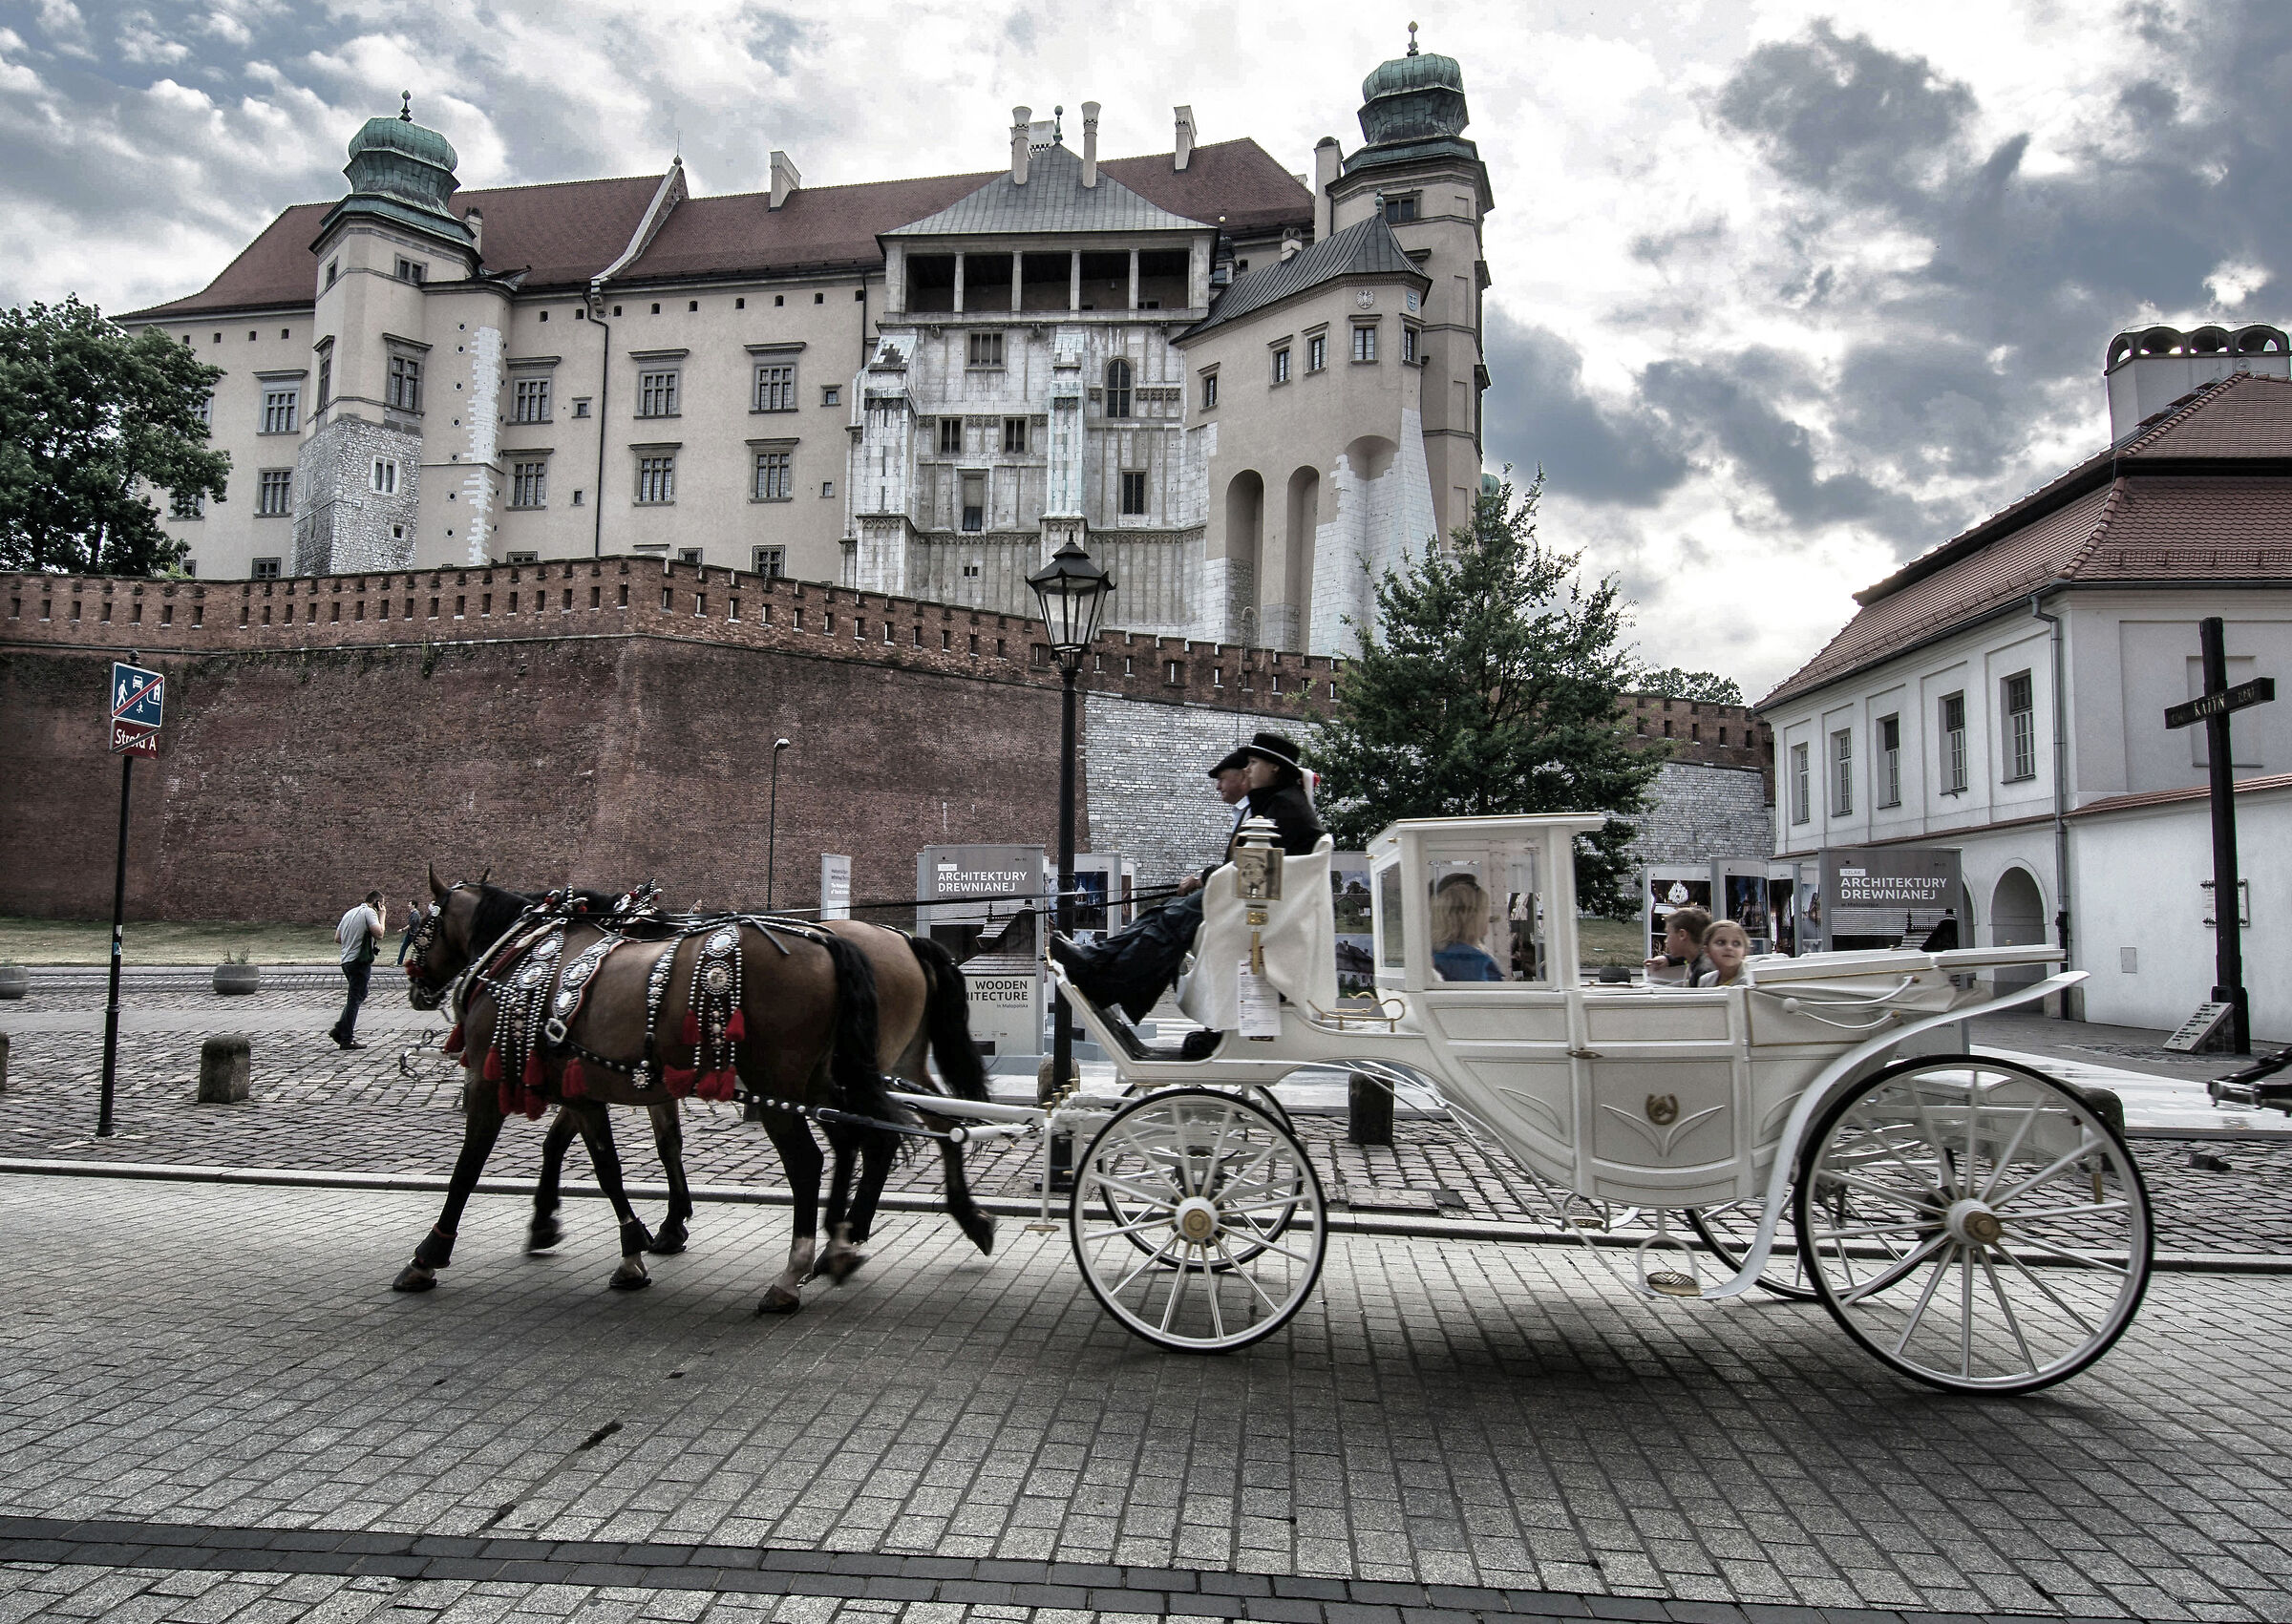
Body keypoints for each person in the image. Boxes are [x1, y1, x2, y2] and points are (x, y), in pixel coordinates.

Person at [1051, 732, 1325, 1051]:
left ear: (1275, 768)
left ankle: (1108, 979)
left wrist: (1206, 879)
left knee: (1170, 921)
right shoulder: (1280, 803)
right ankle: (1099, 964)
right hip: (1250, 901)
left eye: (1253, 762)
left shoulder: (1284, 808)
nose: (1247, 770)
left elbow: (1256, 869)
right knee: (1162, 914)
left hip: (1257, 910)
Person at [330, 890, 385, 1050]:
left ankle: (340, 1028)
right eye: (382, 904)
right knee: (355, 998)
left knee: (360, 993)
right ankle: (346, 1038)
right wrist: (382, 915)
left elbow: (337, 938)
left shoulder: (350, 912)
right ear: (377, 903)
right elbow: (380, 934)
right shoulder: (369, 912)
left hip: (346, 961)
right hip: (359, 961)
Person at [1431, 875, 1504, 981]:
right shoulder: (1474, 960)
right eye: (1484, 910)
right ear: (1470, 917)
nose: (1488, 917)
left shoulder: (1435, 953)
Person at [1644, 905, 1712, 985]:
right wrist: (1668, 959)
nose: (1666, 941)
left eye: (1668, 933)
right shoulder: (1698, 959)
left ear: (1682, 935)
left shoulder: (1703, 971)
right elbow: (1684, 959)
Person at [1695, 920, 1751, 987]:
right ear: (1707, 950)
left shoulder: (1751, 982)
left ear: (1745, 952)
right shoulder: (1705, 981)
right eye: (1721, 942)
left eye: (1736, 943)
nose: (1729, 947)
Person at [394, 896, 421, 965]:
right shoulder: (413, 913)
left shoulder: (416, 914)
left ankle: (423, 962)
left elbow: (410, 925)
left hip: (414, 935)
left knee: (419, 949)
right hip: (410, 934)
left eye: (410, 904)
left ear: (413, 905)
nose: (408, 905)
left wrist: (402, 929)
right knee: (403, 947)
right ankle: (399, 963)